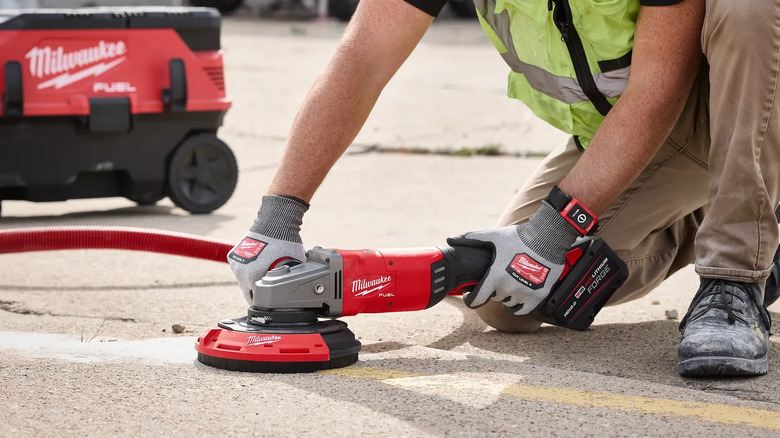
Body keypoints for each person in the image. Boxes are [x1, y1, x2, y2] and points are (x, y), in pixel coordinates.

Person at [228, 0, 777, 376]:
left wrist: (549, 233)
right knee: (510, 303)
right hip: (628, 137)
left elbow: (660, 85)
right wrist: (278, 217)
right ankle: (755, 223)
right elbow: (364, 55)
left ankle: (734, 275)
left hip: (739, 108)